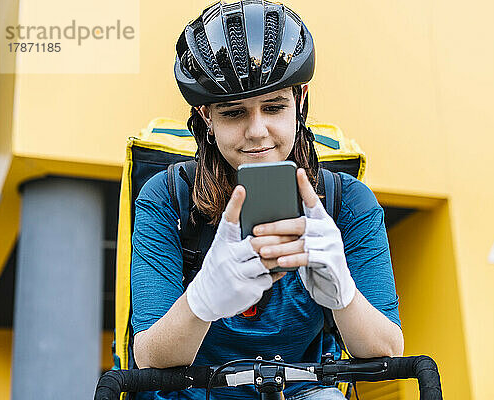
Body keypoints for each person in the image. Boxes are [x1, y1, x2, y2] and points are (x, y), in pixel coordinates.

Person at [130, 1, 404, 399]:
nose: (257, 131)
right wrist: (202, 299)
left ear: (301, 99)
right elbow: (149, 358)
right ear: (206, 116)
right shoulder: (166, 198)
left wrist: (343, 293)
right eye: (233, 113)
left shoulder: (349, 203)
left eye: (274, 107)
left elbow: (388, 355)